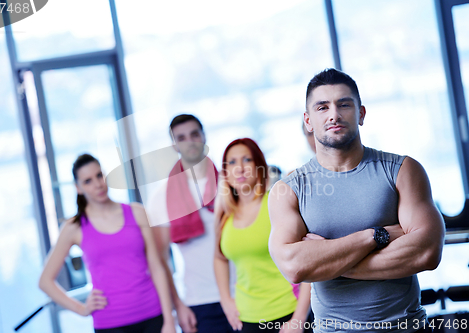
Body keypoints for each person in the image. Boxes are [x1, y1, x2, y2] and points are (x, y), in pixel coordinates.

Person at [268, 68, 445, 333]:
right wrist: (375, 236)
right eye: (322, 107)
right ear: (308, 120)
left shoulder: (402, 170)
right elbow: (295, 267)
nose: (334, 115)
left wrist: (328, 261)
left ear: (361, 113)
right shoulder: (289, 190)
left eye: (344, 104)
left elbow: (427, 251)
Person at [39, 154, 175, 333]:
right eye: (88, 181)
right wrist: (82, 309)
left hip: (152, 315)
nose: (97, 184)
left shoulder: (137, 212)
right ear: (78, 188)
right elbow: (45, 281)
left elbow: (157, 267)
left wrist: (169, 319)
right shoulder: (74, 227)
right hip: (109, 323)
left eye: (99, 175)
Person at [214, 138, 311, 333]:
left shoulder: (277, 203)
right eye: (232, 162)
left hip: (288, 314)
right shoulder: (225, 213)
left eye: (246, 160)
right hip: (246, 319)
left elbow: (307, 259)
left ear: (259, 166)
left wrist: (299, 319)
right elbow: (219, 258)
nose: (239, 168)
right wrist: (225, 299)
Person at [147, 114, 233, 333]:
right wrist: (178, 306)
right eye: (182, 137)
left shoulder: (231, 182)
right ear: (174, 145)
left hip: (243, 291)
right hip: (199, 301)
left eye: (194, 134)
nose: (190, 141)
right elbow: (161, 259)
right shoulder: (161, 197)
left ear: (203, 136)